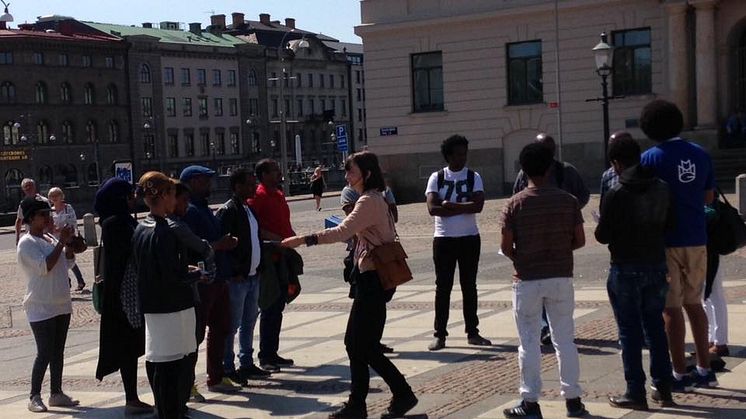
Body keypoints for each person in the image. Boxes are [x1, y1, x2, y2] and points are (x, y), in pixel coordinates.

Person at [282, 151, 418, 419]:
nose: (346, 177)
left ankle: (401, 394)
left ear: (365, 174)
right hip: (371, 278)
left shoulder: (368, 200)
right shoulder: (375, 197)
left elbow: (342, 232)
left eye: (351, 172)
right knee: (356, 344)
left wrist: (303, 239)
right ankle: (360, 404)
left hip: (373, 280)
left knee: (363, 346)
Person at [500, 143, 588, 419]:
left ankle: (530, 401)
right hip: (560, 275)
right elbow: (580, 240)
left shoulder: (514, 204)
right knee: (565, 340)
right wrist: (560, 251)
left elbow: (505, 246)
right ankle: (573, 400)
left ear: (522, 170)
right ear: (550, 168)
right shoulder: (568, 200)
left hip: (527, 278)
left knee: (528, 342)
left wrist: (521, 257)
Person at [639, 99, 717, 390]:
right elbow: (708, 197)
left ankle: (679, 372)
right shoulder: (700, 154)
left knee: (670, 309)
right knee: (695, 304)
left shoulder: (650, 159)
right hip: (697, 237)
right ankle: (704, 368)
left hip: (667, 240)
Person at [595, 136, 675, 410]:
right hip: (655, 263)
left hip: (625, 265)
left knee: (629, 332)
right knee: (655, 327)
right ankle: (663, 386)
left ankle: (635, 391)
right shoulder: (661, 188)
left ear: (615, 163)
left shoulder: (617, 192)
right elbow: (670, 223)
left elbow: (602, 235)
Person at [132, 172, 200, 419]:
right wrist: (194, 274)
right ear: (163, 196)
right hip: (173, 306)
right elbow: (172, 275)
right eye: (172, 193)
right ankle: (172, 412)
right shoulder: (165, 230)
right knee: (176, 365)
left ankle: (165, 410)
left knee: (159, 362)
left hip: (153, 305)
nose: (175, 199)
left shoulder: (141, 227)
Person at [513, 133, 590, 346]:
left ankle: (554, 329)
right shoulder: (524, 174)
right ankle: (545, 328)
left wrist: (569, 214)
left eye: (549, 148)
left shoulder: (567, 171)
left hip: (559, 236)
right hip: (533, 236)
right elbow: (516, 200)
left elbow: (582, 195)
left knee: (555, 287)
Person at [425, 134, 491, 351]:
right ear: (449, 155)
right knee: (442, 287)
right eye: (459, 154)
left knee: (469, 286)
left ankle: (473, 332)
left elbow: (478, 206)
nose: (463, 158)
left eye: (465, 153)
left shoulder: (474, 177)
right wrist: (463, 206)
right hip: (444, 239)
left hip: (469, 238)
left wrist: (450, 207)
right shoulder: (437, 177)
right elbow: (433, 209)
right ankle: (439, 334)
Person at [93, 178, 153, 415]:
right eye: (129, 195)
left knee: (133, 345)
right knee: (128, 347)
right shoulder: (114, 223)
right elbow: (127, 254)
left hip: (130, 291)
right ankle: (132, 398)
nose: (134, 199)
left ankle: (133, 398)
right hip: (124, 294)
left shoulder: (122, 220)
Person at [180, 165, 241, 394]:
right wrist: (220, 244)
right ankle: (188, 383)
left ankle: (215, 377)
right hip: (203, 281)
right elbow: (192, 247)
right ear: (193, 182)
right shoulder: (190, 211)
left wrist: (225, 243)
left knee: (221, 328)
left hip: (219, 277)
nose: (210, 185)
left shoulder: (204, 208)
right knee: (195, 335)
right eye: (205, 181)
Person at [17, 197, 79, 413]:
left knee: (58, 351)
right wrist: (61, 242)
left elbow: (67, 263)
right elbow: (45, 267)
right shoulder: (27, 243)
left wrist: (69, 245)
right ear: (31, 218)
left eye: (49, 213)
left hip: (60, 302)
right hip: (40, 305)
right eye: (43, 214)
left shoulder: (50, 238)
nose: (48, 218)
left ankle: (56, 392)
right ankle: (34, 395)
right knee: (44, 351)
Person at [217, 168, 271, 385]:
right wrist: (233, 272)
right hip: (238, 279)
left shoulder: (248, 209)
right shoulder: (229, 210)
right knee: (232, 324)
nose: (253, 188)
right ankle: (228, 367)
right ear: (236, 186)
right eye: (249, 184)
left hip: (253, 275)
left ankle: (246, 362)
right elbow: (224, 245)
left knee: (249, 321)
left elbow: (255, 239)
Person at [248, 159, 296, 371]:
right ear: (264, 174)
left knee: (278, 306)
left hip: (283, 256)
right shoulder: (257, 196)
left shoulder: (278, 194)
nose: (279, 174)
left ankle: (272, 352)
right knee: (269, 305)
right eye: (275, 171)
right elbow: (254, 227)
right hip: (269, 258)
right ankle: (265, 356)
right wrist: (275, 239)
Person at [47, 187, 86, 292]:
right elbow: (49, 225)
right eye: (52, 196)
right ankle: (68, 283)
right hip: (55, 239)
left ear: (61, 196)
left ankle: (79, 281)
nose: (54, 198)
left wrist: (62, 229)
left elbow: (73, 222)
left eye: (56, 195)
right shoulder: (51, 210)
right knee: (61, 261)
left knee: (68, 260)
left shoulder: (68, 208)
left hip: (68, 238)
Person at [15, 178, 49, 245]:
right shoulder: (23, 204)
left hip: (44, 235)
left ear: (34, 187)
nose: (28, 188)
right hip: (31, 236)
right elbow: (19, 220)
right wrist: (17, 237)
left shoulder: (44, 201)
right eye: (26, 186)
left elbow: (50, 219)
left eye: (30, 185)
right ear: (23, 189)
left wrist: (50, 234)